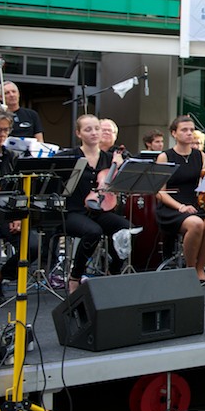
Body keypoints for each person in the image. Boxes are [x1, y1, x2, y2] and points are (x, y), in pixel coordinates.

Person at [56, 114, 134, 294]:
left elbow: (121, 188)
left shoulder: (110, 158)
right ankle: (75, 276)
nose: (94, 133)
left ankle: (113, 271)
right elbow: (56, 184)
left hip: (100, 211)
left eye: (97, 129)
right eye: (88, 129)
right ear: (78, 133)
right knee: (93, 232)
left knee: (127, 229)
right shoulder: (69, 157)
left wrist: (119, 169)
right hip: (73, 212)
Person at [0, 109, 42, 305]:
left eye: (6, 130)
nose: (2, 135)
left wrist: (17, 215)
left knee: (31, 246)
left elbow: (17, 189)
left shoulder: (11, 156)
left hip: (4, 213)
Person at [155, 115, 205, 284]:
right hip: (172, 206)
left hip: (195, 203)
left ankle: (201, 267)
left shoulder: (200, 156)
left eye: (191, 130)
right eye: (184, 130)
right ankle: (190, 268)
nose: (189, 133)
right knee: (195, 224)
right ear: (174, 133)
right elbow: (159, 192)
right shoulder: (165, 157)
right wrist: (181, 207)